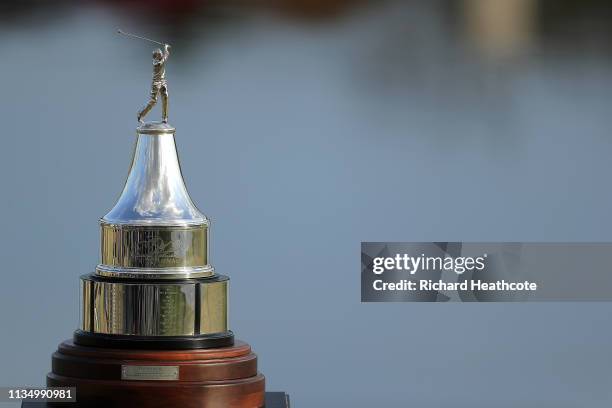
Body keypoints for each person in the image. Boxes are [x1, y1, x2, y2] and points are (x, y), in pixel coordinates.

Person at [137, 44, 171, 123]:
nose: (161, 55)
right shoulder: (157, 63)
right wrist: (166, 48)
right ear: (156, 57)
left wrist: (165, 50)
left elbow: (165, 56)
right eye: (160, 54)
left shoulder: (160, 59)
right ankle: (140, 114)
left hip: (162, 81)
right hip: (156, 83)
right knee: (153, 101)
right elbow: (166, 56)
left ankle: (164, 118)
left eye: (161, 53)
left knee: (165, 96)